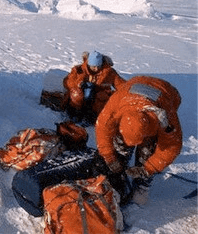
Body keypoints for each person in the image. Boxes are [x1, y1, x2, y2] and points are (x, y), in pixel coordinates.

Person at [95, 76, 182, 205]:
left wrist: (148, 169)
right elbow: (102, 129)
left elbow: (172, 146)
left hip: (166, 92)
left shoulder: (165, 117)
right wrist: (110, 158)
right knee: (118, 146)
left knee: (148, 150)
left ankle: (142, 185)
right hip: (132, 89)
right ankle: (119, 172)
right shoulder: (115, 105)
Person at [63, 50, 126, 124]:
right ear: (89, 64)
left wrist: (132, 90)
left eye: (98, 66)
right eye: (93, 66)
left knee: (102, 96)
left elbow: (121, 85)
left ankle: (93, 117)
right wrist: (78, 84)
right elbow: (67, 82)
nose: (96, 69)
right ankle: (75, 114)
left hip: (97, 101)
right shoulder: (79, 70)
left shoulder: (109, 72)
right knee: (76, 93)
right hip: (80, 100)